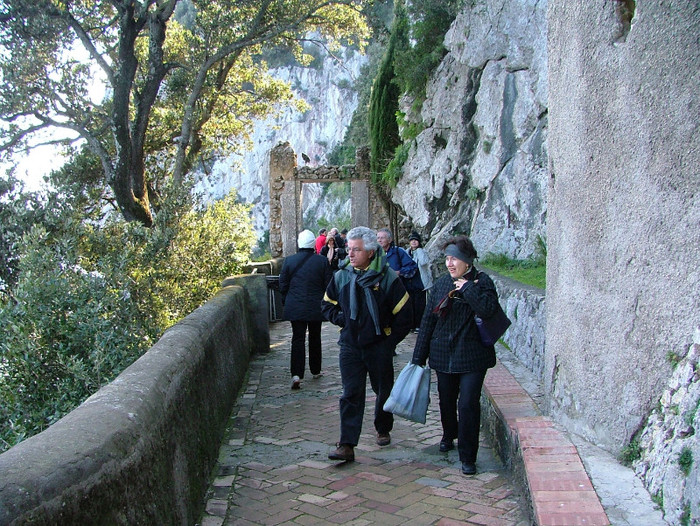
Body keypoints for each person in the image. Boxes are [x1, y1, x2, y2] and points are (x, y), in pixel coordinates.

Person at [322, 226, 413, 462]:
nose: (350, 254)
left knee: (383, 390)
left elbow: (405, 316)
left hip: (378, 346)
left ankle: (383, 428)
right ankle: (347, 444)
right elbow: (327, 305)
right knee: (350, 393)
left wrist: (388, 340)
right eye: (349, 249)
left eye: (356, 250)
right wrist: (343, 320)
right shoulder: (341, 276)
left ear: (371, 252)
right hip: (350, 346)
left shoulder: (388, 278)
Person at [410, 235, 498, 476]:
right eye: (448, 258)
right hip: (443, 353)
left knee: (468, 403)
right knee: (446, 399)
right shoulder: (440, 284)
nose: (450, 263)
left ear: (467, 261)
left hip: (472, 355)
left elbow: (489, 310)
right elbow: (428, 320)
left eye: (455, 259)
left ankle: (468, 456)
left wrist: (467, 288)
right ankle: (449, 434)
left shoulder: (483, 282)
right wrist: (419, 356)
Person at [279, 229, 333, 390]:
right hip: (316, 306)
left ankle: (296, 374)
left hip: (295, 306)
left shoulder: (289, 261)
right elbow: (328, 284)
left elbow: (283, 285)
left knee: (298, 339)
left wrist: (287, 300)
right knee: (315, 337)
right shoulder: (322, 261)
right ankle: (315, 370)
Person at [377, 228, 422, 329]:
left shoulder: (398, 252)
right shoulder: (374, 254)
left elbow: (412, 267)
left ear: (389, 240)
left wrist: (399, 272)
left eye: (382, 238)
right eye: (378, 238)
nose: (379, 240)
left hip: (397, 287)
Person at [407, 231, 434, 331]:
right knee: (410, 304)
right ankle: (411, 325)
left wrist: (418, 251)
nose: (413, 242)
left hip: (420, 282)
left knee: (420, 305)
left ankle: (419, 325)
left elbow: (423, 263)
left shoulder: (422, 252)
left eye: (415, 240)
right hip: (410, 282)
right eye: (412, 240)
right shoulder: (407, 252)